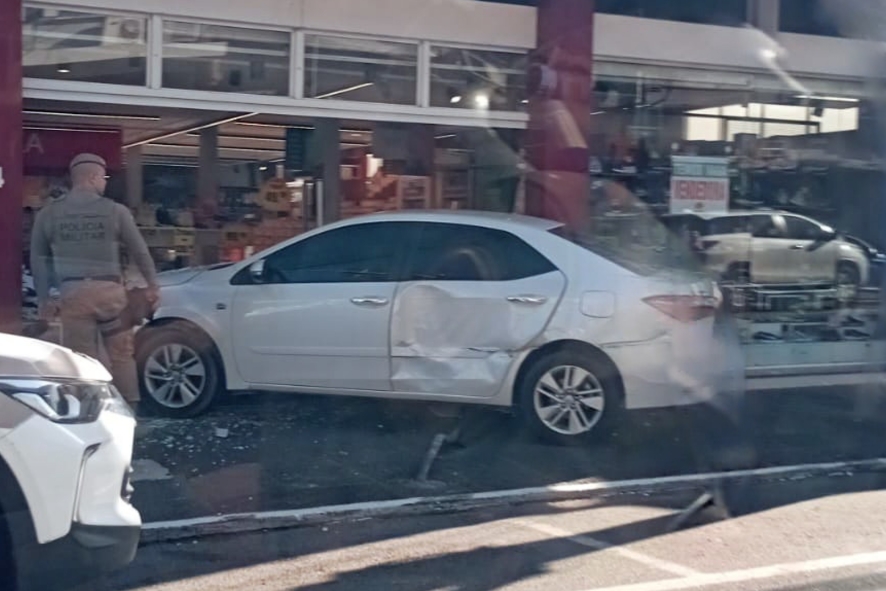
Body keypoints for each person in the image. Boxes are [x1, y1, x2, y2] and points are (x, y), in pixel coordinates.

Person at [30, 153, 160, 410]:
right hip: (111, 295)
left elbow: (38, 259)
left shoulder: (49, 213)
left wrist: (44, 297)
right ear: (92, 177)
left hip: (73, 295)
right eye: (103, 177)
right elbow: (139, 250)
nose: (105, 182)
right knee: (122, 356)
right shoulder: (115, 211)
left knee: (81, 360)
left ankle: (88, 414)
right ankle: (129, 412)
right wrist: (152, 284)